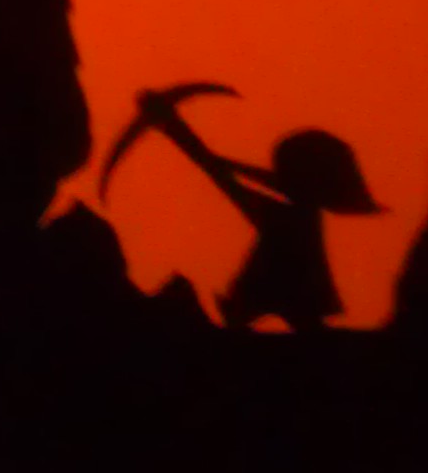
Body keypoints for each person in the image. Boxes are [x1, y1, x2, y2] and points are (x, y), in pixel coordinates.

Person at [100, 79, 382, 331]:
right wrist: (181, 135)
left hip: (280, 285)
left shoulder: (293, 216)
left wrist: (181, 134)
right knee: (284, 313)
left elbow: (228, 174)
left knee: (285, 312)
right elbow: (226, 174)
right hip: (278, 287)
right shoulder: (293, 215)